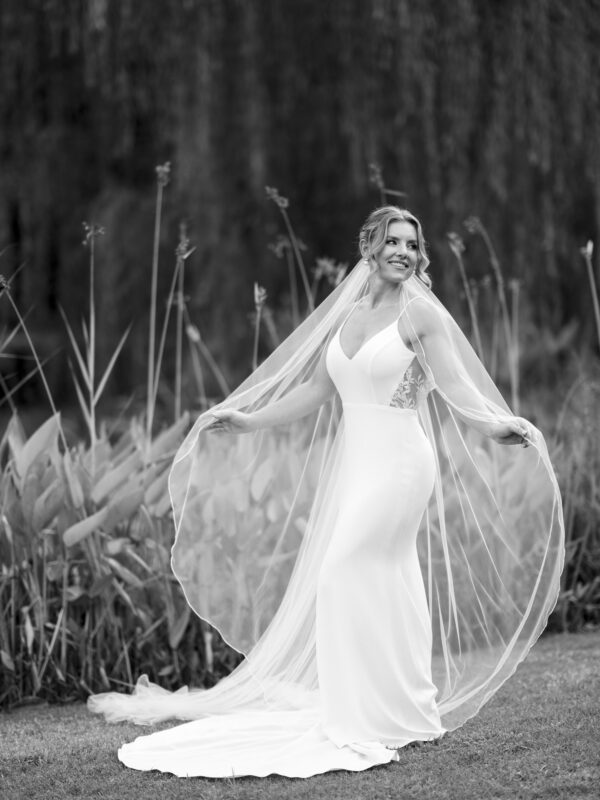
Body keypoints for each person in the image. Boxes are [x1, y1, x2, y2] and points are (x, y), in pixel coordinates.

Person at [88, 207, 564, 779]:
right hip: (360, 465)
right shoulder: (350, 315)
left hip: (402, 464)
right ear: (369, 247)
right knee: (388, 577)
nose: (402, 253)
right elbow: (316, 390)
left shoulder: (421, 316)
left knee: (339, 572)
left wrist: (494, 425)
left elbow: (457, 384)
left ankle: (360, 716)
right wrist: (249, 420)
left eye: (411, 244)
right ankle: (403, 709)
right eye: (392, 241)